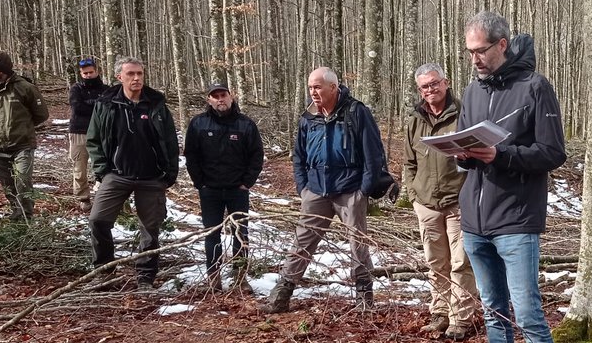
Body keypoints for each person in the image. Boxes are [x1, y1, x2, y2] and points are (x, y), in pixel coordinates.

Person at [455, 11, 569, 343]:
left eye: (481, 51)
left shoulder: (535, 87)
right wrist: (463, 155)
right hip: (475, 219)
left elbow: (551, 152)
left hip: (517, 219)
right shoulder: (471, 90)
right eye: (469, 52)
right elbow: (469, 143)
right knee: (493, 312)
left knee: (529, 315)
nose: (475, 60)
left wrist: (499, 157)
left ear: (502, 44)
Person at [260, 67, 388, 313]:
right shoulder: (308, 118)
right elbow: (298, 155)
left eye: (317, 87)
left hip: (350, 190)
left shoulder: (356, 112)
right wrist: (303, 188)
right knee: (302, 242)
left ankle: (363, 297)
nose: (313, 92)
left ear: (333, 87)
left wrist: (364, 189)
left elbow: (374, 154)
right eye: (310, 87)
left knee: (357, 244)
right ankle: (281, 293)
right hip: (316, 190)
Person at [86, 57, 180, 289]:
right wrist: (102, 171)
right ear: (119, 77)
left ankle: (145, 277)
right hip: (117, 175)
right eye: (131, 74)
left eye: (140, 73)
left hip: (151, 177)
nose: (136, 78)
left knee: (150, 228)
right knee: (98, 220)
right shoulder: (106, 104)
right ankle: (105, 272)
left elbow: (169, 140)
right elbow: (94, 140)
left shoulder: (156, 104)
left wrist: (169, 173)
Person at [403, 63, 480, 340]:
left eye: (435, 83)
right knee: (436, 261)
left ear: (445, 83)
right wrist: (414, 196)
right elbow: (408, 162)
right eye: (425, 86)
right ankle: (440, 311)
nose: (431, 90)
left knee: (461, 262)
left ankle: (460, 318)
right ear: (419, 90)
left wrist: (469, 193)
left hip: (458, 201)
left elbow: (477, 156)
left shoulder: (464, 114)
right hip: (426, 202)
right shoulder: (415, 119)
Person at [183, 83, 263, 291]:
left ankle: (239, 277)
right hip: (210, 189)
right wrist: (199, 182)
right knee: (212, 234)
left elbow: (256, 155)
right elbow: (191, 155)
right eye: (215, 96)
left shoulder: (245, 125)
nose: (220, 99)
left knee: (241, 233)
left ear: (231, 96)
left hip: (238, 189)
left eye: (223, 95)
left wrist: (247, 182)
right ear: (209, 100)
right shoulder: (199, 124)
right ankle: (214, 278)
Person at [0, 51, 48, 220]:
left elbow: (41, 114)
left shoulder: (25, 87)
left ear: (1, 69)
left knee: (23, 182)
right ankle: (16, 213)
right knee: (8, 185)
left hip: (22, 146)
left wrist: (23, 128)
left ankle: (26, 217)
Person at [67, 57, 108, 213]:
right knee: (79, 166)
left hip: (101, 132)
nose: (88, 75)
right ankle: (83, 198)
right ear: (81, 73)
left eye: (91, 72)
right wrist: (95, 105)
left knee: (103, 165)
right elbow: (77, 108)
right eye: (85, 73)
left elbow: (107, 108)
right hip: (79, 131)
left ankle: (102, 194)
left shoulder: (105, 89)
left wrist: (91, 104)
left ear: (96, 71)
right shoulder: (76, 89)